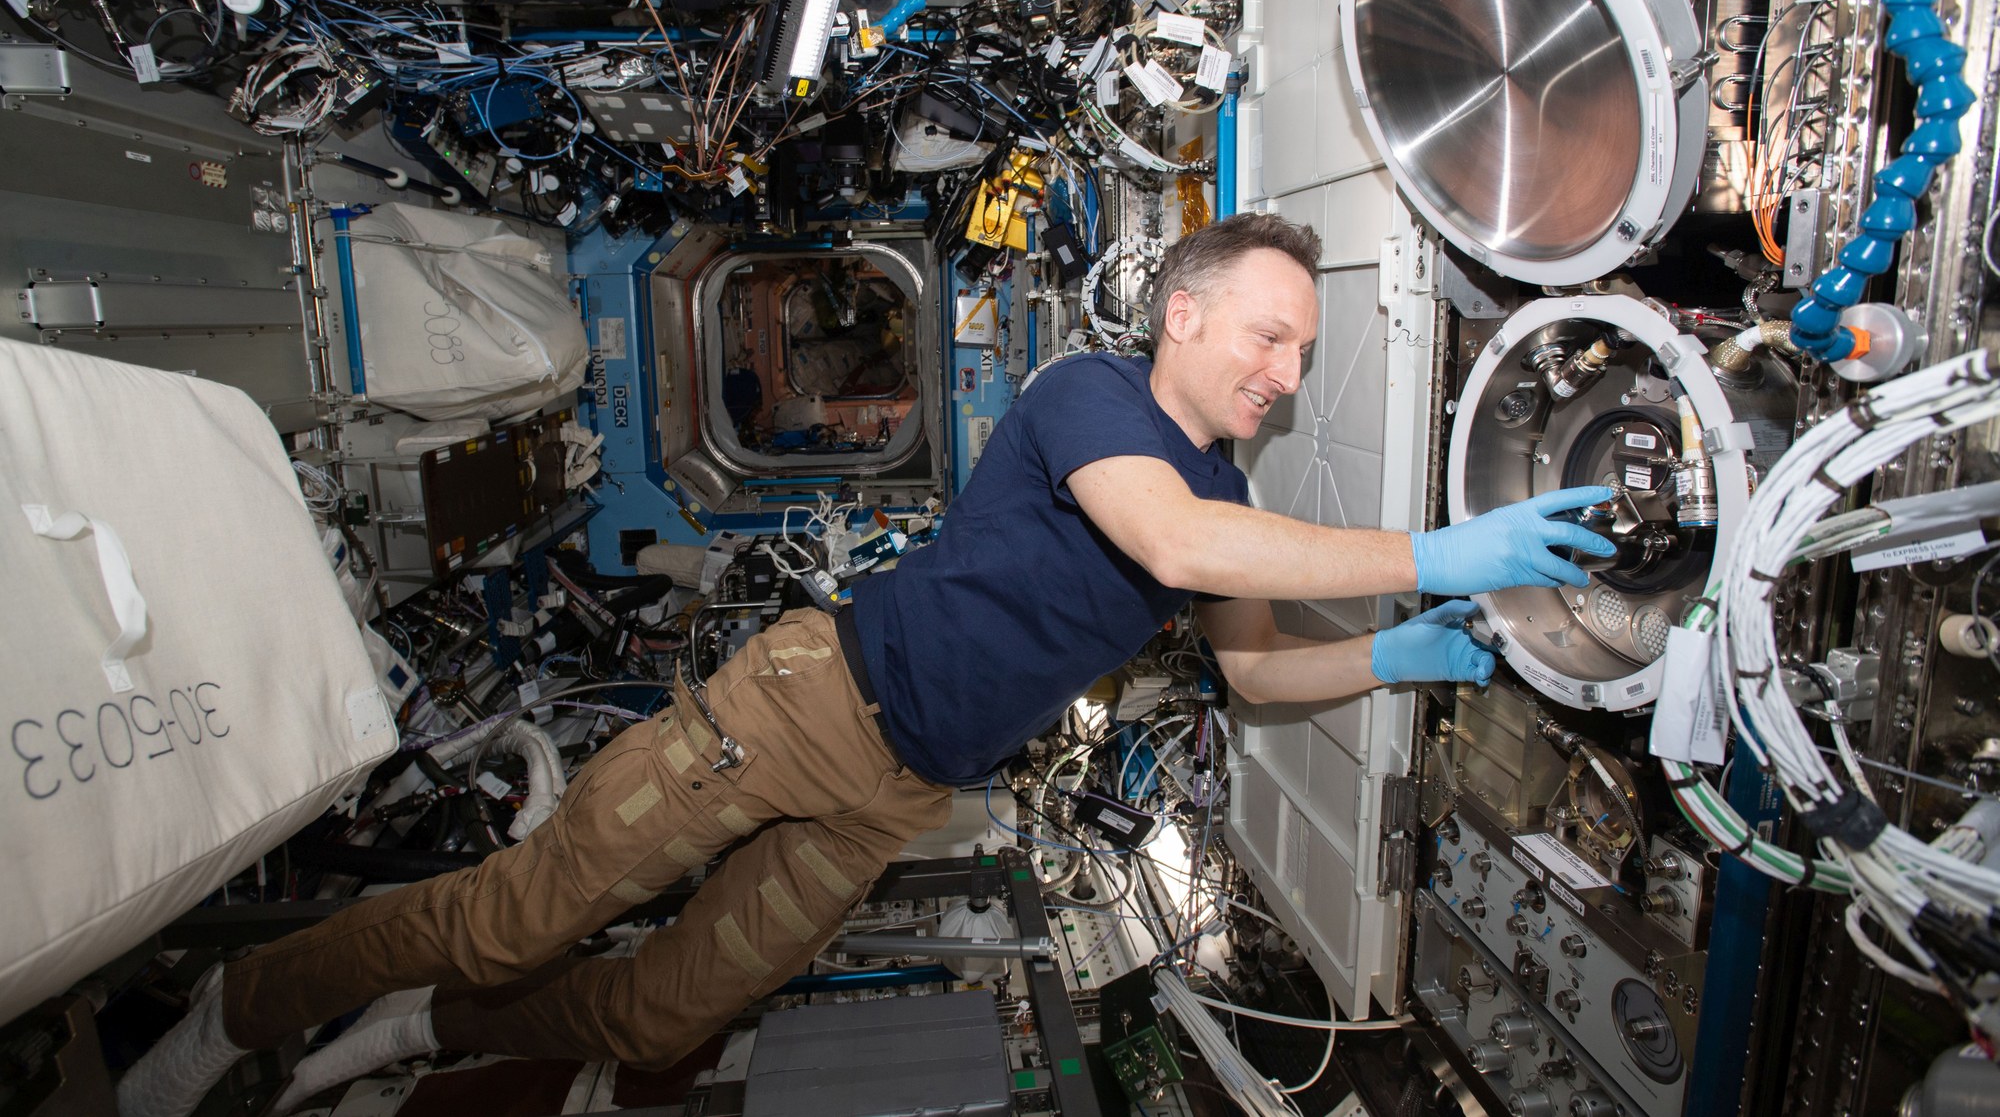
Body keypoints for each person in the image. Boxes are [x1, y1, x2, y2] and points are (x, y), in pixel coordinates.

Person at [118, 212, 1613, 1116]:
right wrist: (1433, 554)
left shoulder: (1225, 504)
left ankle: (430, 1021)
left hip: (900, 790)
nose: (1285, 376)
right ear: (1186, 312)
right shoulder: (1096, 398)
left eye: (1300, 356)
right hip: (800, 707)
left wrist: (1393, 658)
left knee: (661, 1015)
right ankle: (235, 1011)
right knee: (519, 912)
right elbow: (1169, 551)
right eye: (1273, 338)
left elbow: (1261, 674)